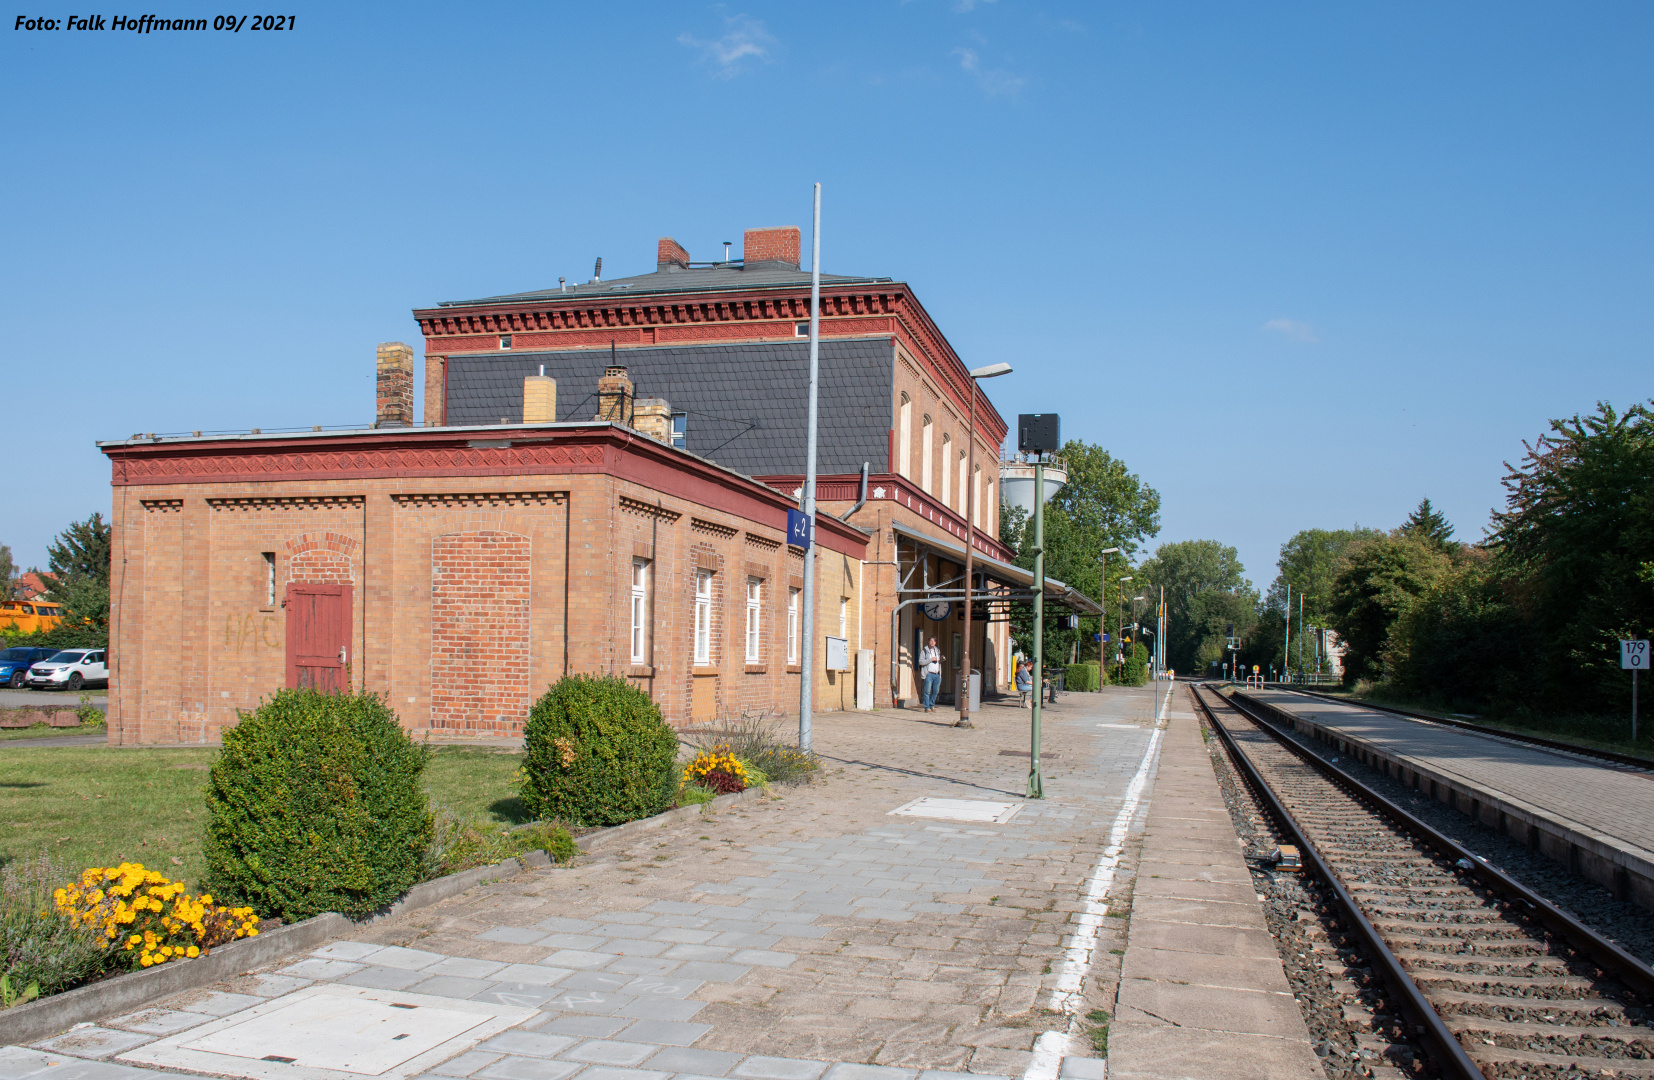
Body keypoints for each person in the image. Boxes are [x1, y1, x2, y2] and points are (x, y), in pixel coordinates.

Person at [919, 637, 942, 712]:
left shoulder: (937, 650)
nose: (932, 642)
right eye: (931, 641)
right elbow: (921, 662)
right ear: (928, 642)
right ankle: (927, 707)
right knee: (927, 691)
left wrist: (941, 660)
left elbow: (938, 661)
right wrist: (931, 659)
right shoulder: (924, 651)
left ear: (935, 643)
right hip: (928, 673)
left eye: (934, 641)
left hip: (937, 674)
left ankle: (932, 705)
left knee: (936, 691)